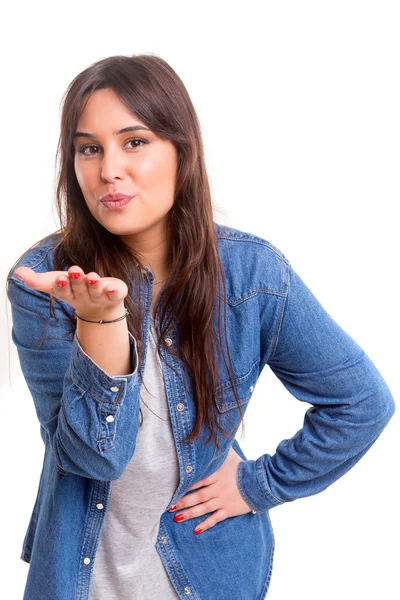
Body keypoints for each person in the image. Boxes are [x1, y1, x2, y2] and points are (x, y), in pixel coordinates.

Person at [6, 53, 395, 600]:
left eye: (134, 142)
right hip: (78, 576)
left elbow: (362, 403)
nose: (108, 170)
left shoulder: (253, 275)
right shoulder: (44, 280)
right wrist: (100, 322)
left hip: (208, 575)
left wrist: (260, 485)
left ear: (181, 153)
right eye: (88, 148)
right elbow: (92, 457)